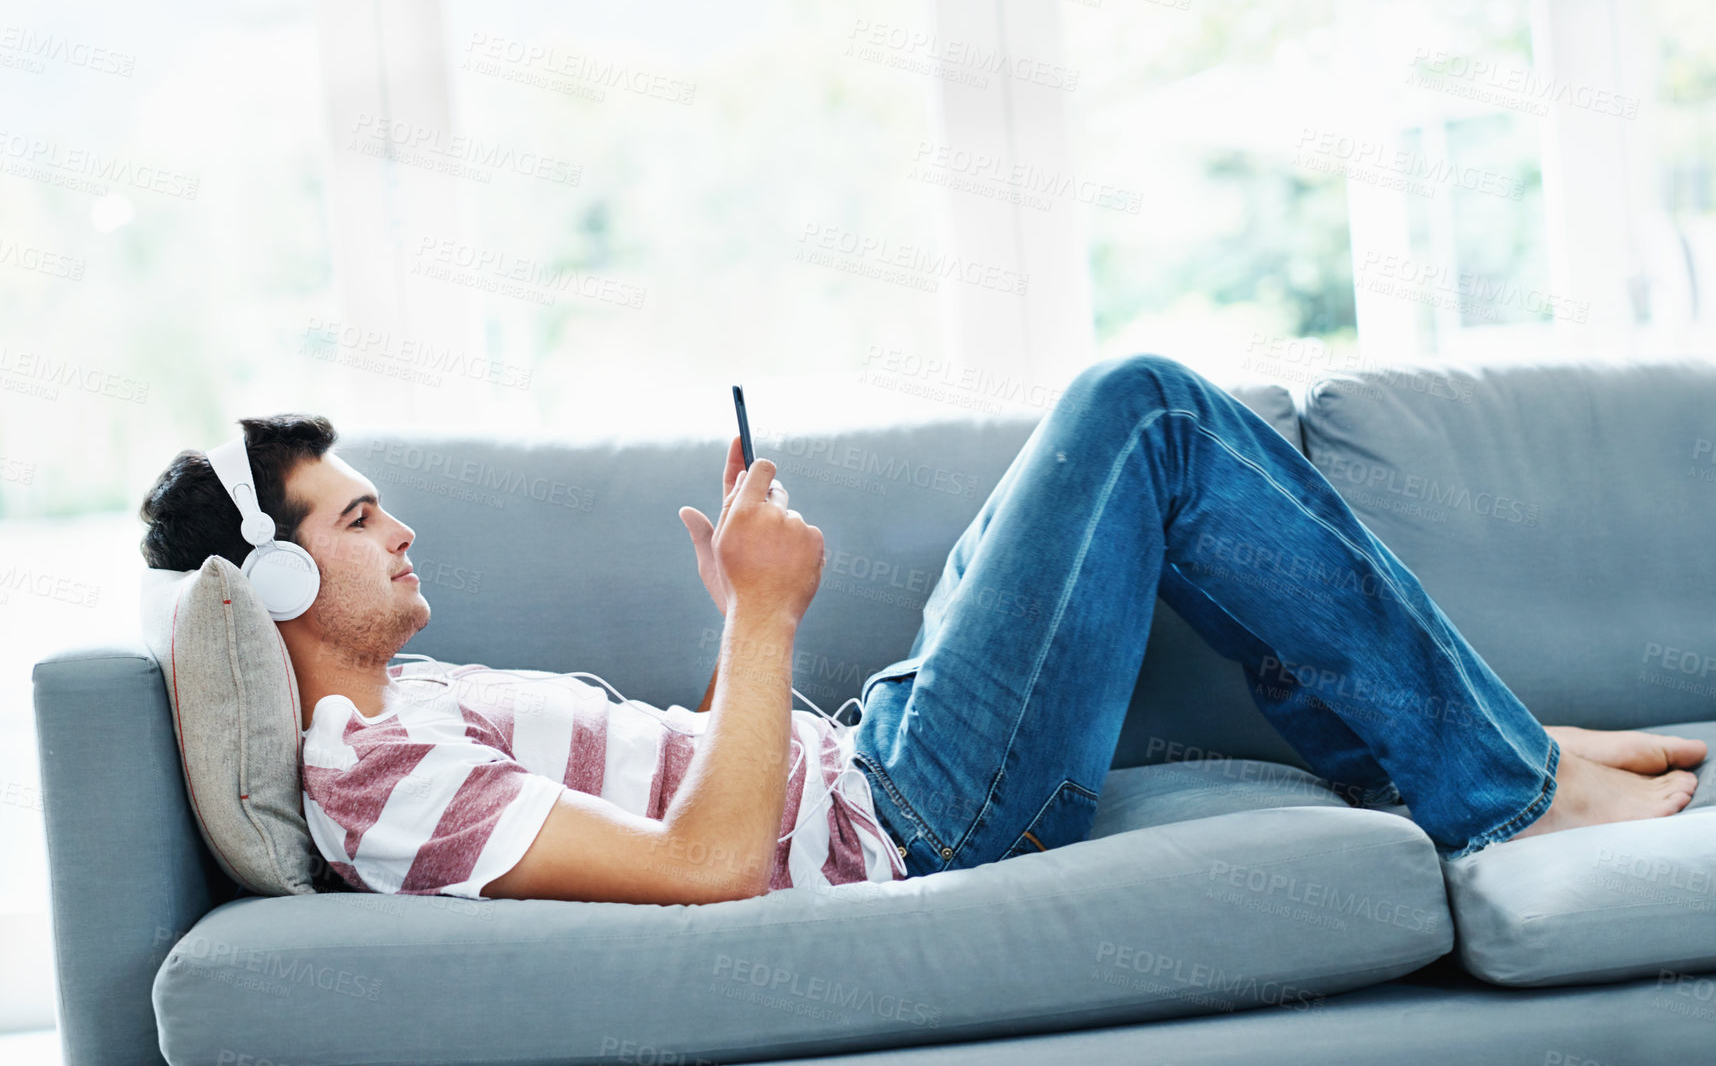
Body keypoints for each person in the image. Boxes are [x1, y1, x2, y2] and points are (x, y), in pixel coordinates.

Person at [137, 354, 1704, 905]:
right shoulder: (372, 772)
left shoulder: (413, 701)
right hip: (916, 820)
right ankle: (1503, 786)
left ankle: (1479, 753)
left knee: (1110, 449)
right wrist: (762, 619)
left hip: (871, 756)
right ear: (273, 589)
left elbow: (693, 806)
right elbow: (704, 869)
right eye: (354, 520)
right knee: (1139, 412)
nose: (398, 527)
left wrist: (742, 644)